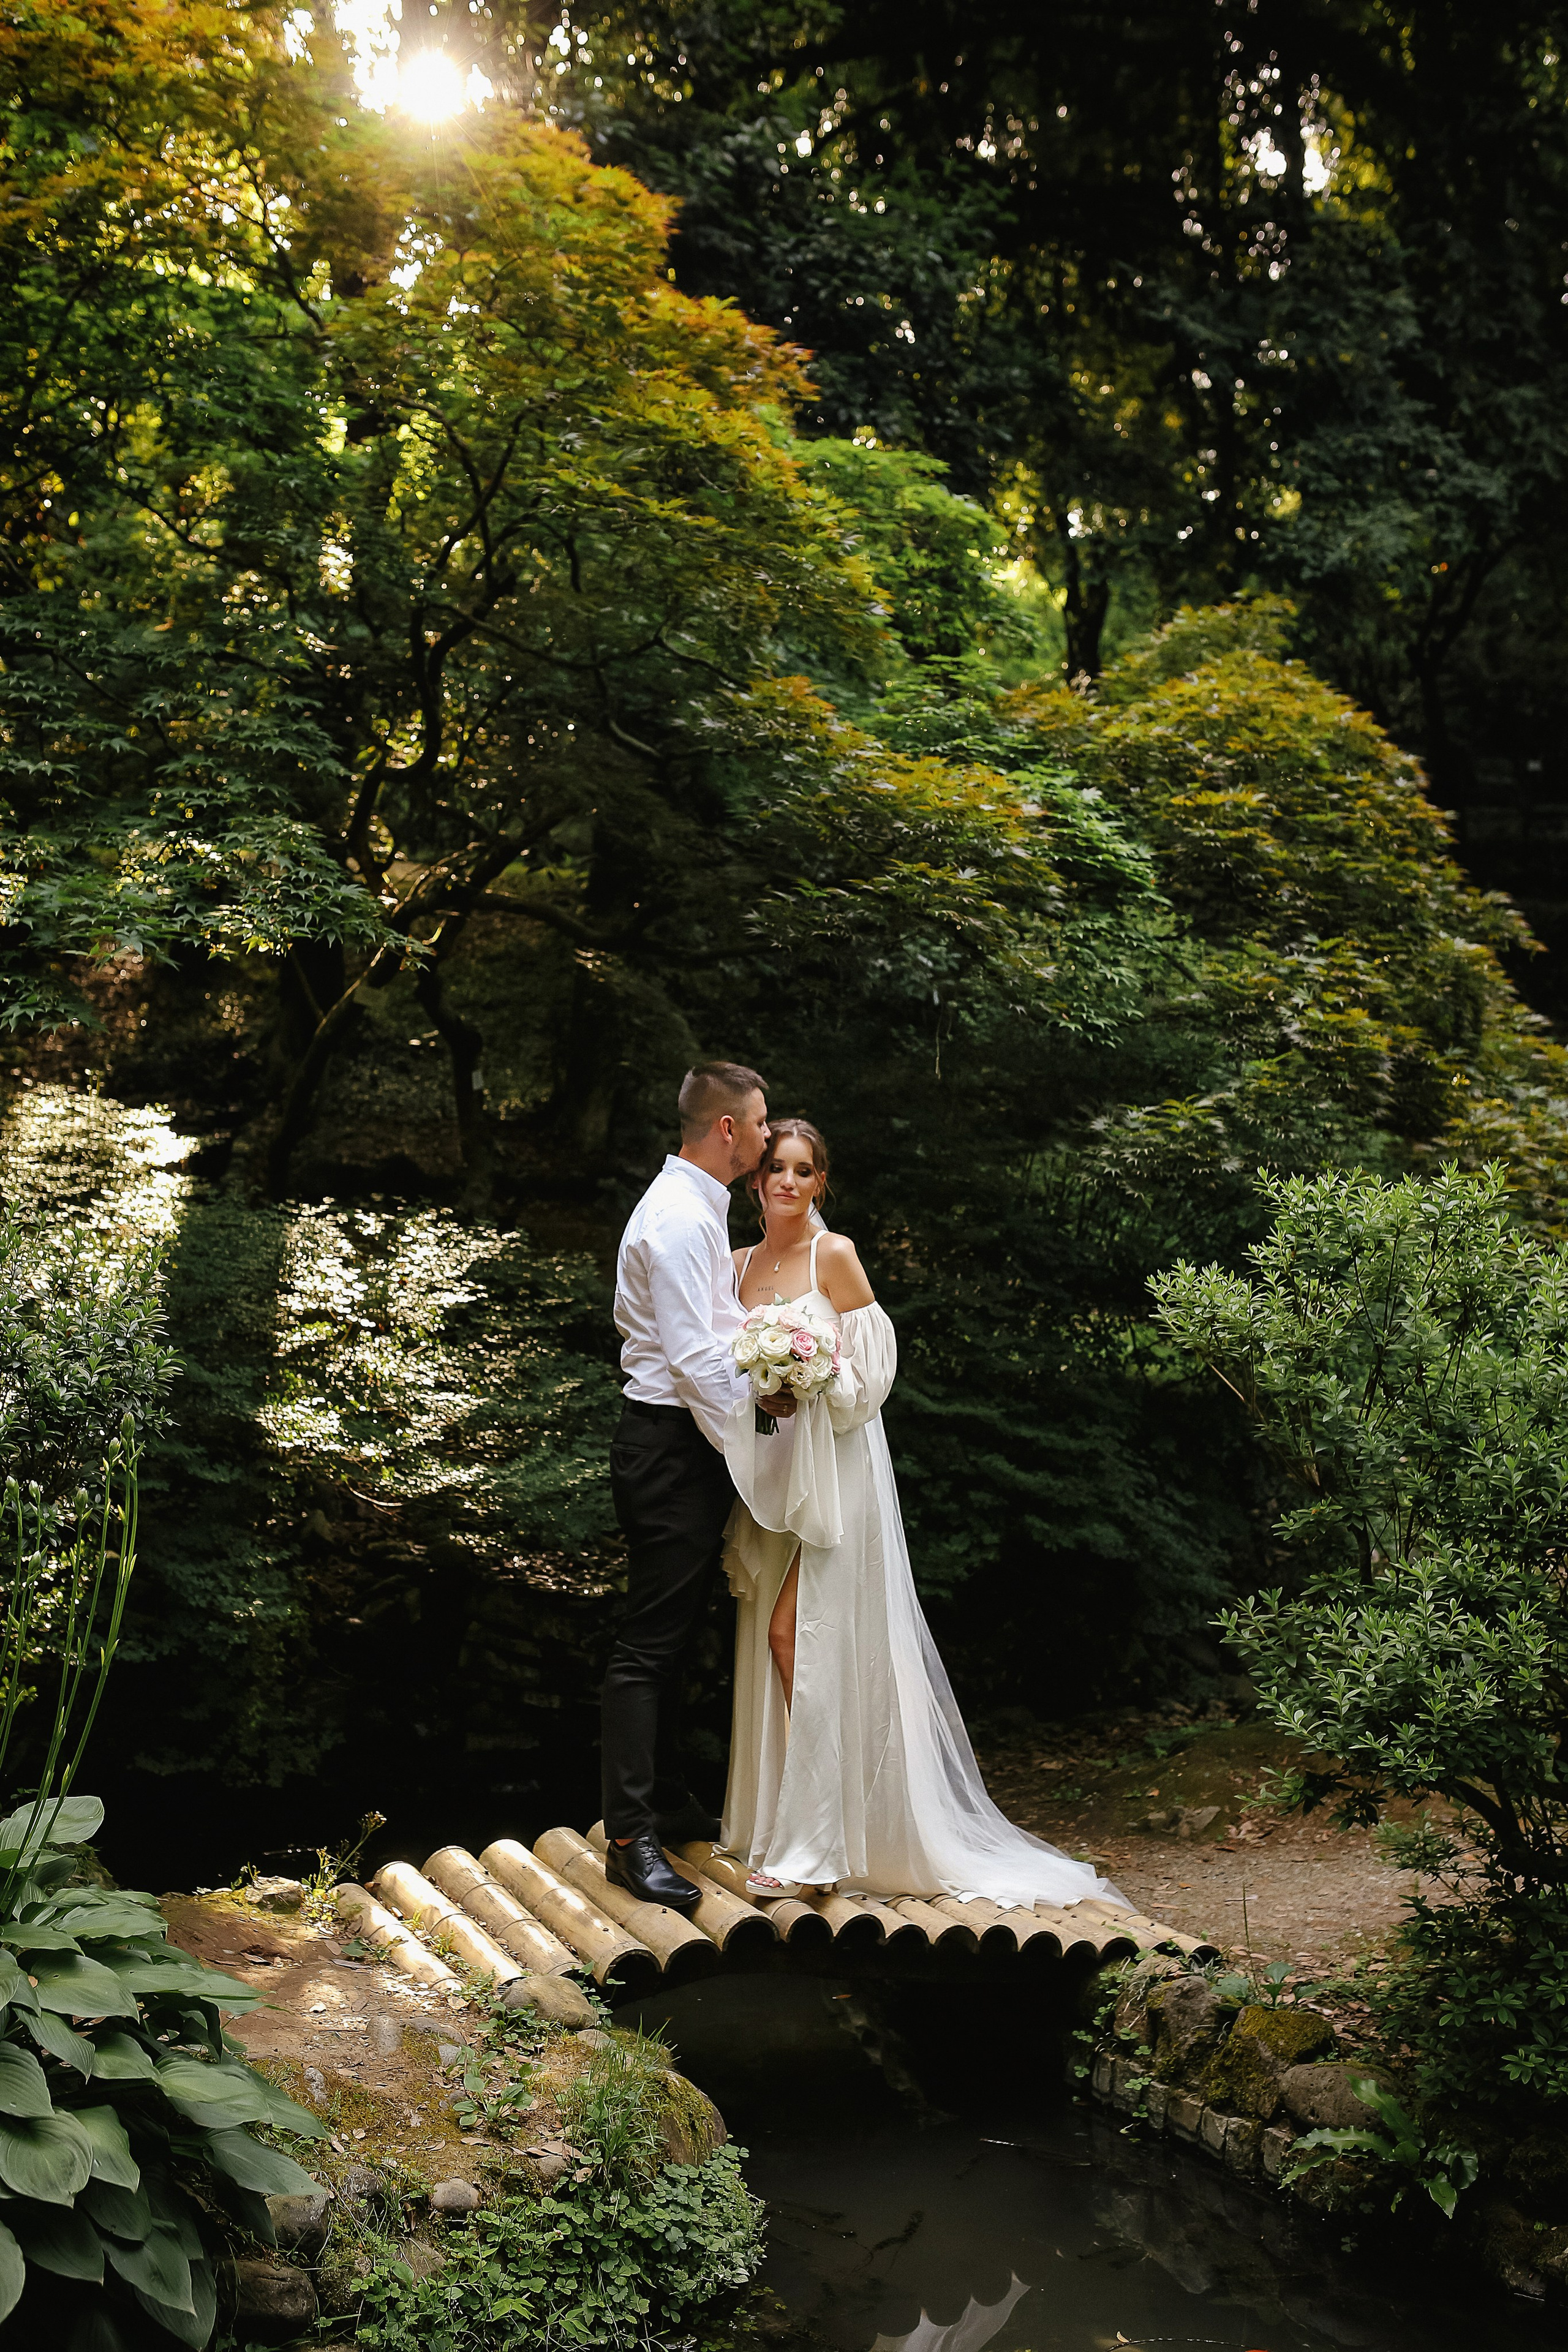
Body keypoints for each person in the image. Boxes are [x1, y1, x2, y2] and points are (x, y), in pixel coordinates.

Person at [721, 1118, 1126, 1910]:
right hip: (773, 1479)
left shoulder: (832, 1257)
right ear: (755, 1179)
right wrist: (761, 1394)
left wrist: (805, 1381)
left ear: (821, 1183)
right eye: (777, 1168)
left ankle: (816, 1849)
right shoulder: (735, 1267)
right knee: (774, 1644)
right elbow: (719, 1375)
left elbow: (871, 1378)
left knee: (799, 1636)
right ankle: (796, 1826)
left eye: (805, 1171)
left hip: (839, 1475)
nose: (789, 1183)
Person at [601, 1060, 779, 1913]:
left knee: (674, 1643)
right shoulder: (677, 1219)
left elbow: (719, 1329)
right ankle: (630, 1842)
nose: (771, 1135)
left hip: (686, 1446)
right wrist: (755, 1449)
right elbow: (696, 1362)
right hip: (671, 1447)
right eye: (762, 1122)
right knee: (646, 1651)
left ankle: (667, 1804)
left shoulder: (698, 1207)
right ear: (727, 1131)